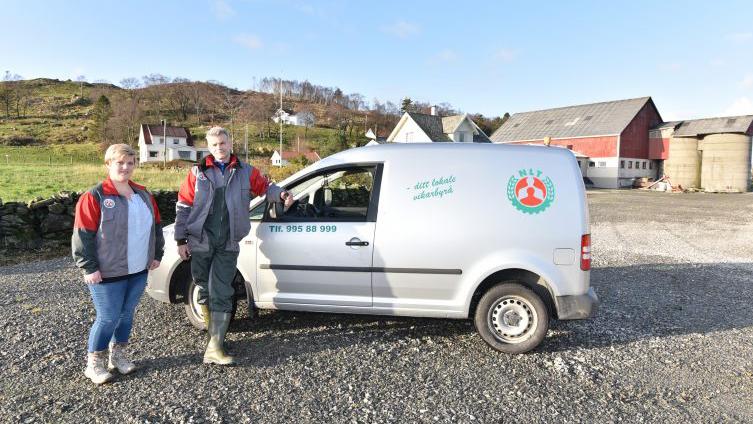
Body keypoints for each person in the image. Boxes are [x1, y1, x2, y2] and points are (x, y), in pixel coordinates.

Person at [175, 126, 293, 365]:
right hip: (200, 240)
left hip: (229, 241)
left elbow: (266, 188)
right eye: (214, 144)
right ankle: (215, 340)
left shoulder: (245, 171)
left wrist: (281, 194)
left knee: (221, 290)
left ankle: (215, 347)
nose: (220, 148)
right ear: (208, 147)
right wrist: (180, 239)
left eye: (223, 143)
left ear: (230, 144)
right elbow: (184, 206)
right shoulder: (197, 173)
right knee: (203, 288)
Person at [72, 144, 165, 384]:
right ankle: (94, 363)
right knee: (108, 317)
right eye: (120, 162)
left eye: (130, 162)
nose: (125, 167)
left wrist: (157, 254)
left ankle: (118, 356)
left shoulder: (144, 194)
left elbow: (156, 226)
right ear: (108, 164)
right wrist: (89, 267)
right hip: (106, 272)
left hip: (137, 270)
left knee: (126, 316)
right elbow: (82, 235)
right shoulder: (94, 196)